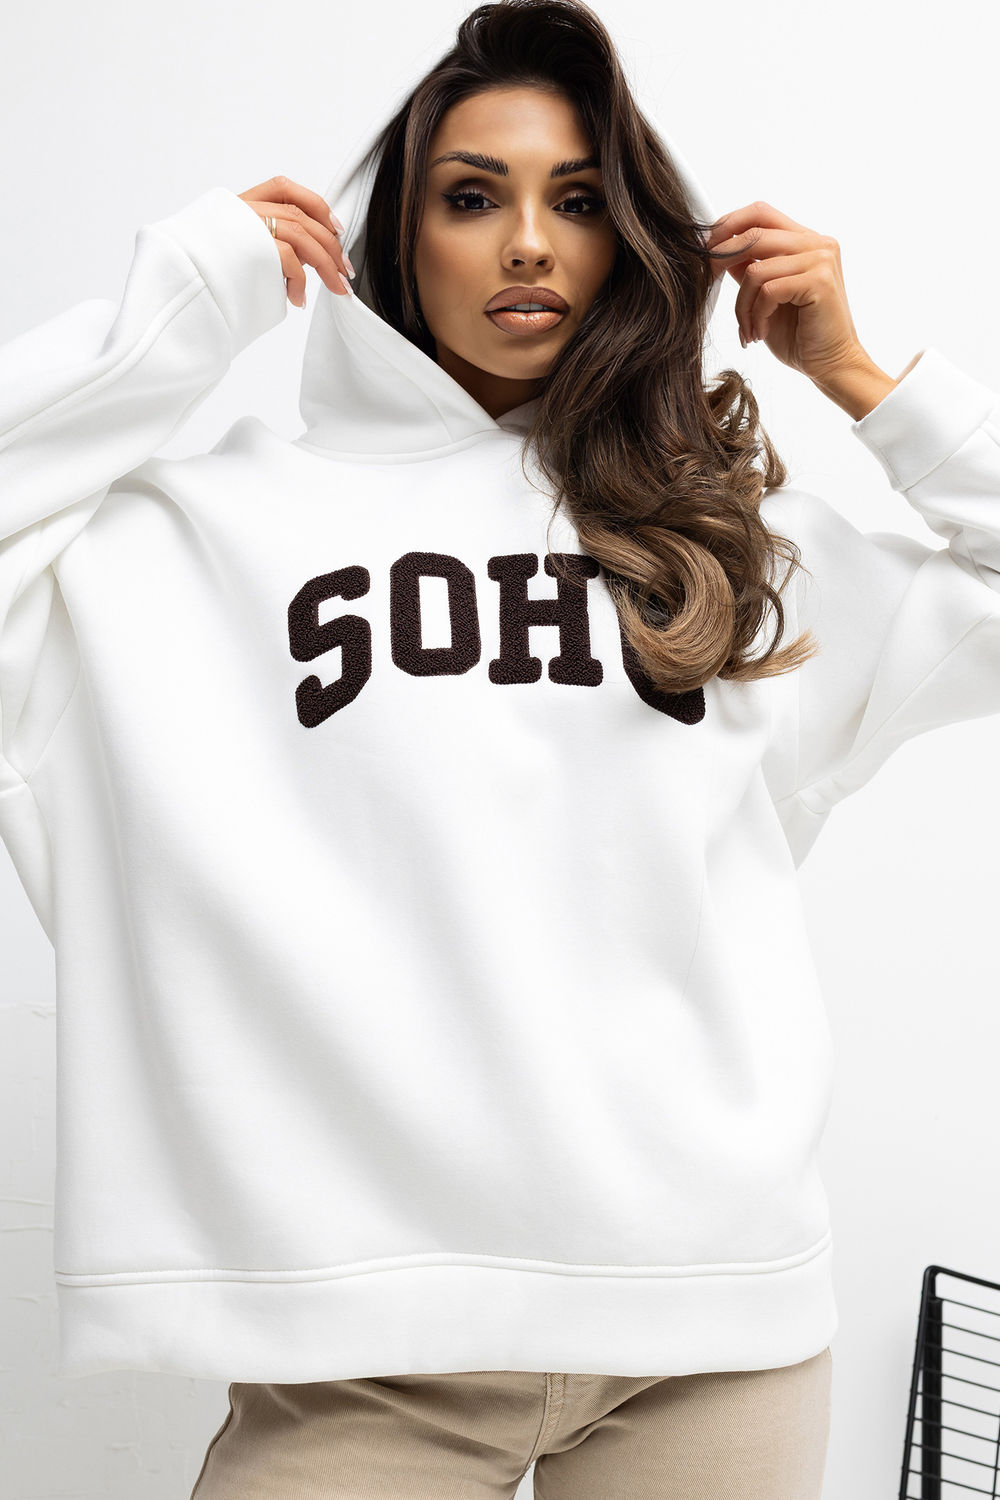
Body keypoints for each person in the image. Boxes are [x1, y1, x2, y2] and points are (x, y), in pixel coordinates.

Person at [2, 0, 998, 1495]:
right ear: (397, 241)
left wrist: (865, 378)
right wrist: (180, 309)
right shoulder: (205, 537)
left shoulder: (723, 539)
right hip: (362, 1354)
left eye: (579, 201)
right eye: (473, 197)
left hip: (710, 1330)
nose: (530, 243)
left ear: (629, 244)